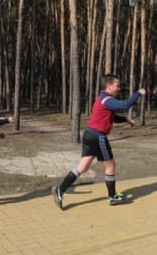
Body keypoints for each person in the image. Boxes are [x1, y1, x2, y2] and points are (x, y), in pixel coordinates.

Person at [51, 74, 146, 210]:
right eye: (117, 86)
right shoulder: (107, 99)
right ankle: (112, 197)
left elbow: (112, 117)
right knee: (110, 166)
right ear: (109, 86)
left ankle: (60, 190)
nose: (119, 88)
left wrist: (125, 120)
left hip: (89, 135)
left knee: (82, 167)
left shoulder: (104, 99)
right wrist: (138, 93)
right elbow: (124, 105)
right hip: (97, 137)